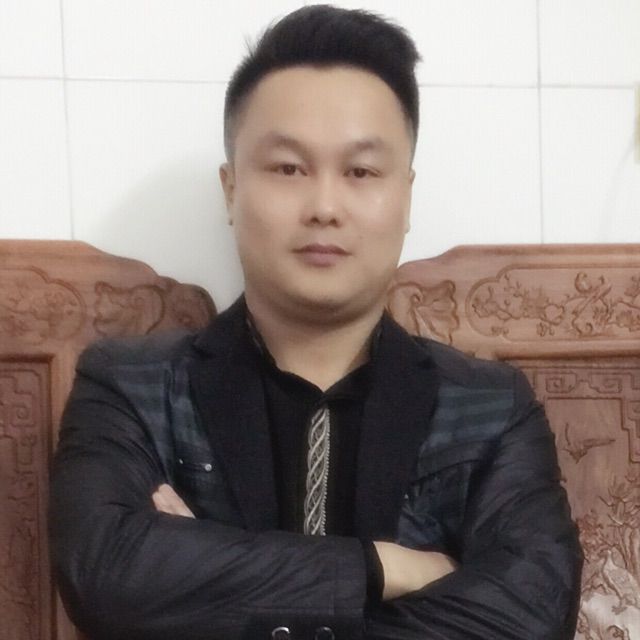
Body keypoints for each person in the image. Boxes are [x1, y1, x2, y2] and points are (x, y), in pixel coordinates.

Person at [49, 5, 583, 640]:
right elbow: (106, 576)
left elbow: (530, 617)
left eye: (360, 171)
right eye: (288, 168)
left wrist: (209, 587)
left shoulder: (491, 409)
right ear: (230, 189)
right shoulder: (131, 389)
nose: (325, 206)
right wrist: (381, 569)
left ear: (406, 194)